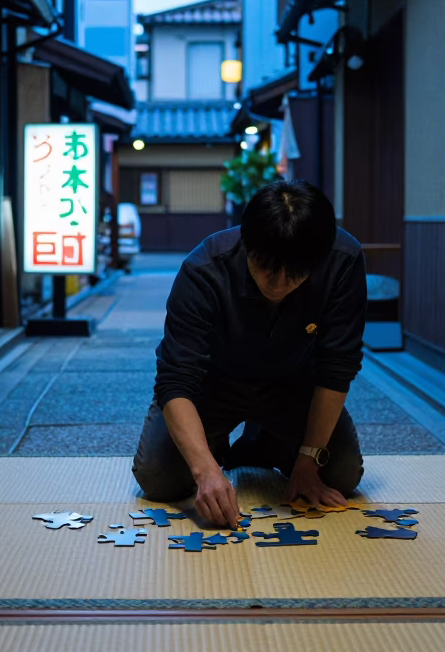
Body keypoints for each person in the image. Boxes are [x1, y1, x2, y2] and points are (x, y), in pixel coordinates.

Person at [132, 180, 367, 528]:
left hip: (294, 386)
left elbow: (337, 367)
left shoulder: (343, 261)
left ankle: (262, 440)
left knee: (341, 476)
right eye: (266, 269)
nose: (278, 285)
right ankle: (221, 447)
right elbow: (176, 379)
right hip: (211, 387)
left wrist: (308, 460)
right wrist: (205, 471)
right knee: (159, 479)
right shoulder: (204, 269)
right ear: (246, 243)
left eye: (295, 274)